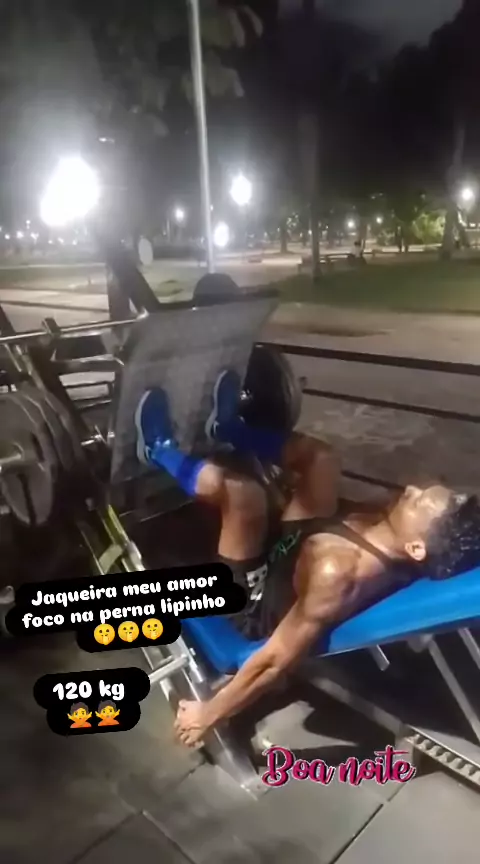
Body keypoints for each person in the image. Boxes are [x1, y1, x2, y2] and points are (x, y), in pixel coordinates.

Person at [135, 371, 480, 748]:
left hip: (255, 602)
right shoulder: (398, 534)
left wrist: (208, 714)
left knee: (243, 494)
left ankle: (156, 449)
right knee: (322, 459)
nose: (411, 489)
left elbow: (273, 660)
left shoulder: (339, 574)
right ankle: (226, 427)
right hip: (301, 549)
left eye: (418, 502)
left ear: (416, 548)